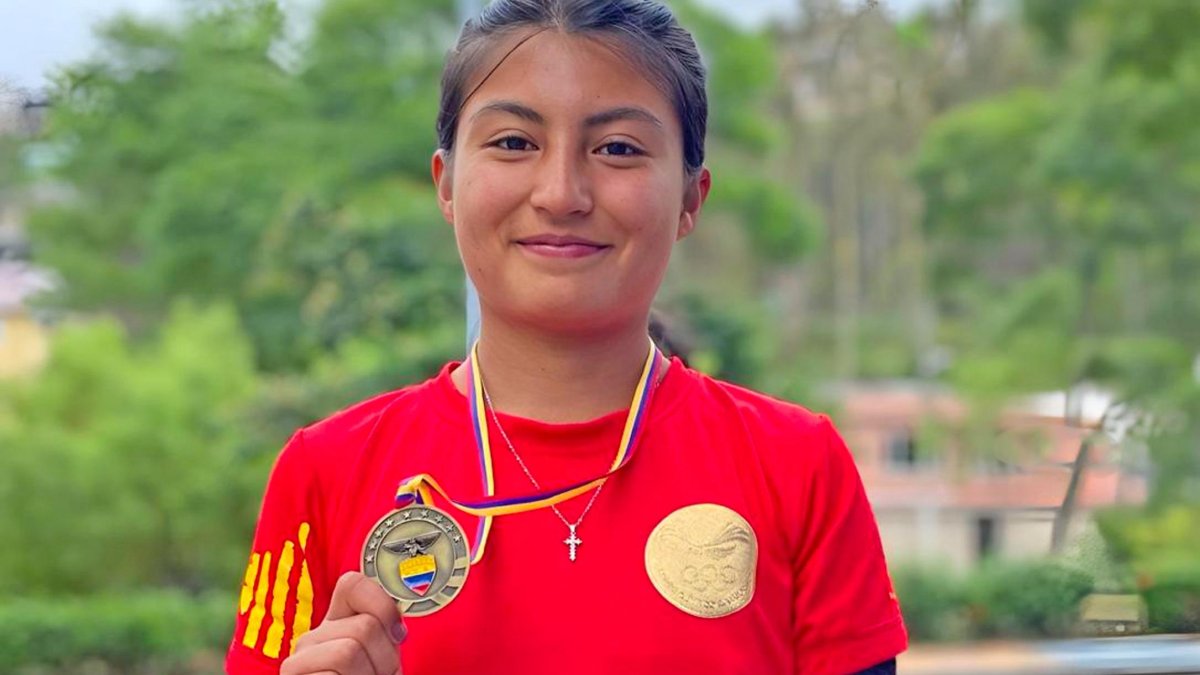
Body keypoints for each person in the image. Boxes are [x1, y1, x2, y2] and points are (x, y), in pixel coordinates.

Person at [226, 1, 907, 673]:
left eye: (617, 148)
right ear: (447, 184)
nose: (560, 193)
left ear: (691, 198)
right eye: (514, 143)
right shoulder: (326, 471)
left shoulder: (797, 465)